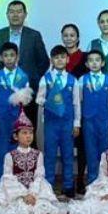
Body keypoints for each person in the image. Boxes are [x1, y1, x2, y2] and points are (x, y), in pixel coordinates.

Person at [0, 107, 65, 214]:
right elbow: (8, 178)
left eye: (31, 133)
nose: (28, 136)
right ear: (15, 136)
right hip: (16, 191)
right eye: (24, 133)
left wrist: (32, 193)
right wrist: (23, 194)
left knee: (43, 199)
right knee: (11, 200)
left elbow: (39, 176)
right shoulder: (9, 156)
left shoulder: (38, 154)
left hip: (35, 189)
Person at [0, 1, 48, 125]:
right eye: (12, 12)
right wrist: (1, 78)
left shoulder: (34, 35)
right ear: (7, 14)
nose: (15, 15)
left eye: (19, 12)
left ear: (25, 15)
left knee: (28, 130)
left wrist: (32, 78)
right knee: (4, 129)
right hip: (3, 93)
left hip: (28, 91)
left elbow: (44, 62)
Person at [36, 45, 77, 197]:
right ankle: (49, 185)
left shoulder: (73, 80)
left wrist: (77, 123)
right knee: (50, 154)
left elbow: (76, 103)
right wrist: (48, 102)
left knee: (68, 155)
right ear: (51, 60)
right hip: (51, 123)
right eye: (56, 57)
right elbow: (39, 98)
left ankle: (68, 185)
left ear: (67, 59)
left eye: (62, 57)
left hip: (67, 122)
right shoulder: (45, 78)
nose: (59, 60)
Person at [0, 41, 32, 178]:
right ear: (1, 58)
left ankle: (17, 182)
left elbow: (27, 100)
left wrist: (21, 95)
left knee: (17, 151)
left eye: (12, 55)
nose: (9, 58)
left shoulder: (23, 76)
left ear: (17, 57)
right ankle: (1, 183)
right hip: (1, 120)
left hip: (17, 119)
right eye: (5, 55)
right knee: (1, 152)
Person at [75, 49, 108, 193]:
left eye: (97, 60)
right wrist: (78, 121)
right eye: (91, 60)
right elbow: (78, 102)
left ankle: (104, 181)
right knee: (90, 151)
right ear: (86, 64)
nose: (94, 63)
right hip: (88, 120)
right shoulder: (82, 80)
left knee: (104, 151)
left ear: (102, 63)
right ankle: (92, 182)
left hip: (104, 120)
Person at [61, 23, 90, 193]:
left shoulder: (86, 57)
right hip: (62, 109)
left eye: (72, 35)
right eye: (65, 35)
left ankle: (80, 179)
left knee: (82, 145)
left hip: (82, 107)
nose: (69, 38)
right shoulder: (58, 57)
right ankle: (67, 181)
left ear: (78, 38)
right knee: (65, 145)